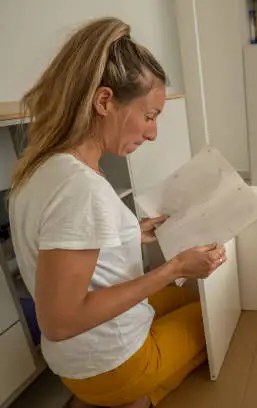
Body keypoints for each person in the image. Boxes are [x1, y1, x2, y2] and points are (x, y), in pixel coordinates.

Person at [8, 17, 226, 408]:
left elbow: (68, 249)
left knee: (190, 304)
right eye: (150, 116)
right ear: (104, 101)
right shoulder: (81, 189)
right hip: (106, 364)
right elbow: (60, 321)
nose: (153, 133)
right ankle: (130, 398)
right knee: (214, 320)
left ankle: (121, 397)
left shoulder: (44, 165)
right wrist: (173, 269)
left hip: (77, 361)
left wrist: (132, 232)